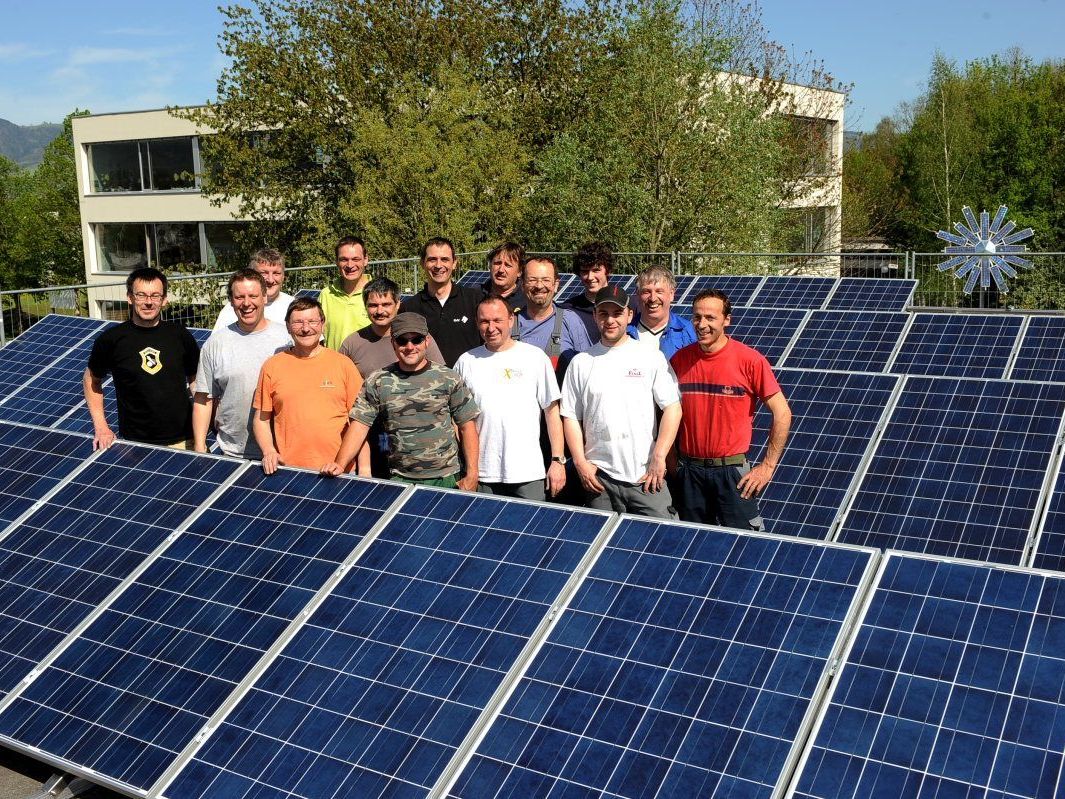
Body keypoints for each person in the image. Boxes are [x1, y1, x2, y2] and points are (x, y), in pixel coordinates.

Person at [670, 289, 791, 530]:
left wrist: (767, 467)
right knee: (690, 547)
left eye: (710, 318)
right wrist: (673, 464)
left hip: (732, 475)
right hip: (689, 473)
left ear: (726, 320)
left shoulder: (750, 360)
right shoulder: (679, 360)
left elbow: (782, 412)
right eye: (697, 317)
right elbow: (667, 414)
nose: (702, 324)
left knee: (743, 548)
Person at [321, 313, 480, 489]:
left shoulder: (448, 377)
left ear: (427, 341)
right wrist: (340, 464)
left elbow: (467, 426)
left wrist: (472, 475)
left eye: (416, 340)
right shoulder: (378, 381)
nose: (409, 346)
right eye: (402, 341)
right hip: (400, 479)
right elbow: (359, 425)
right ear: (393, 344)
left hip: (446, 478)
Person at [561, 285, 681, 518]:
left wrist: (659, 457)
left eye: (617, 313)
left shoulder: (650, 356)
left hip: (645, 478)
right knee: (606, 547)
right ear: (595, 316)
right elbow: (571, 417)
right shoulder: (581, 363)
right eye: (603, 313)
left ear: (629, 315)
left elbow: (672, 408)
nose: (610, 320)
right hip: (599, 480)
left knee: (663, 542)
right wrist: (580, 463)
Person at [454, 297, 566, 501]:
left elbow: (552, 412)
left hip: (527, 472)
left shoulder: (534, 357)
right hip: (482, 474)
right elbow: (456, 420)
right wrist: (468, 466)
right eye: (484, 321)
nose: (491, 327)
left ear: (511, 320)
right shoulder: (466, 361)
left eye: (497, 320)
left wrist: (558, 460)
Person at [337, 276, 444, 478]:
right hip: (372, 434)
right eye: (373, 305)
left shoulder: (417, 339)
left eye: (386, 304)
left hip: (418, 434)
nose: (380, 311)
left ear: (398, 304)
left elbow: (442, 378)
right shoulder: (352, 343)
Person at [83, 266, 199, 450]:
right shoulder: (112, 340)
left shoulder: (180, 336)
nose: (149, 302)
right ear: (130, 298)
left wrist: (205, 428)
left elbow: (195, 381)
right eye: (141, 295)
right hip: (135, 444)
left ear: (164, 300)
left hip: (185, 440)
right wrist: (101, 427)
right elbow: (91, 380)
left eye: (155, 296)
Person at [252, 297, 368, 474]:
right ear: (288, 326)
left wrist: (365, 468)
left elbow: (360, 422)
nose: (306, 329)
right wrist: (269, 451)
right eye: (298, 322)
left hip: (339, 470)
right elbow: (261, 419)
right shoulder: (272, 366)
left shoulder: (343, 365)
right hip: (288, 470)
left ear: (322, 324)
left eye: (312, 321)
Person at [193, 269, 291, 458]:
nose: (247, 303)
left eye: (253, 296)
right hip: (233, 451)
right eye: (240, 297)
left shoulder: (287, 339)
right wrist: (199, 446)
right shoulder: (215, 344)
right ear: (231, 301)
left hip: (282, 451)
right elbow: (203, 399)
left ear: (264, 297)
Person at [400, 237, 482, 366]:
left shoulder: (476, 300)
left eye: (444, 259)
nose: (438, 265)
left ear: (454, 263)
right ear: (422, 263)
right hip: (429, 383)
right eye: (432, 259)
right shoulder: (409, 308)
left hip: (468, 380)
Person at [514, 256, 592, 371]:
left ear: (555, 285)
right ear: (522, 285)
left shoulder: (570, 321)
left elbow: (587, 368)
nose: (539, 286)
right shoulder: (509, 323)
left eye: (546, 280)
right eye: (532, 280)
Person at [626, 264, 697, 360]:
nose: (653, 298)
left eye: (659, 291)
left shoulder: (689, 332)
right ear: (638, 295)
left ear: (671, 294)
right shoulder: (624, 332)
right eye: (647, 292)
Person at [212, 248, 294, 330]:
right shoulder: (234, 308)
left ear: (283, 276)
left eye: (276, 273)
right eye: (264, 273)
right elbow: (217, 340)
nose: (270, 280)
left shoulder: (293, 306)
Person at [320, 236, 373, 349]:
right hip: (334, 365)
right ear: (336, 262)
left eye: (355, 259)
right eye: (344, 259)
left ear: (366, 260)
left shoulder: (378, 295)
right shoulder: (326, 295)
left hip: (369, 366)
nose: (350, 265)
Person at [561, 241, 614, 343]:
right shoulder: (568, 310)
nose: (590, 277)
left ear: (608, 271)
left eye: (596, 270)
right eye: (585, 271)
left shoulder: (625, 306)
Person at [482, 241, 524, 306]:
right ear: (490, 265)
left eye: (508, 265)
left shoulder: (526, 299)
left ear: (519, 271)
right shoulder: (475, 295)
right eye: (497, 263)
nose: (501, 270)